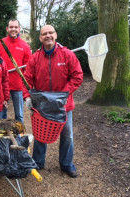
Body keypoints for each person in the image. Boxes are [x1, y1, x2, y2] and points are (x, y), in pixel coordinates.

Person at [23, 25, 83, 178]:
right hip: (42, 104)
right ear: (40, 38)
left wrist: (63, 95)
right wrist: (27, 96)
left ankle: (67, 164)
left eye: (50, 33)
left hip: (63, 104)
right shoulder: (35, 58)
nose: (48, 36)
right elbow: (27, 79)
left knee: (67, 134)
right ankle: (37, 161)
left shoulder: (67, 55)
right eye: (44, 34)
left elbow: (77, 76)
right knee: (40, 132)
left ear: (55, 35)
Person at [0, 19, 32, 122]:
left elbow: (29, 67)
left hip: (18, 85)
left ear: (19, 29)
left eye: (15, 27)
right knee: (2, 113)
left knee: (19, 115)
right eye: (11, 27)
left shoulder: (25, 46)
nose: (13, 29)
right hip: (1, 85)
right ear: (7, 29)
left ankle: (19, 136)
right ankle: (3, 135)